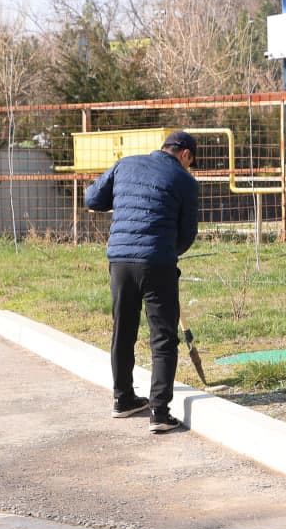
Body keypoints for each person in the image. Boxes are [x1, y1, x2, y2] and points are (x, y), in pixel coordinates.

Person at [84, 130, 200, 433]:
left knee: (123, 330)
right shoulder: (185, 181)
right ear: (185, 154)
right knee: (162, 337)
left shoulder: (125, 165)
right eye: (191, 161)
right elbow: (187, 233)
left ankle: (123, 400)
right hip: (157, 262)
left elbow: (92, 198)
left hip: (120, 262)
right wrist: (165, 253)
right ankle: (159, 413)